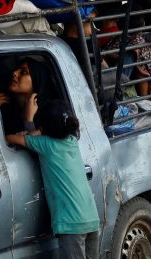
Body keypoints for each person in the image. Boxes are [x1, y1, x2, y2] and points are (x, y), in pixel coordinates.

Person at [6, 98, 101, 258]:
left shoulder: (45, 145)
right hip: (91, 219)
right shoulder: (71, 141)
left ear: (43, 129)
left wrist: (29, 118)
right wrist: (35, 130)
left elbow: (10, 138)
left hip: (71, 224)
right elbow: (38, 135)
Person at [0, 58, 55, 135]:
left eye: (24, 72)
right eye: (16, 70)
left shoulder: (49, 116)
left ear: (36, 80)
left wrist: (29, 120)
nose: (14, 73)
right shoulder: (5, 106)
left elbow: (38, 145)